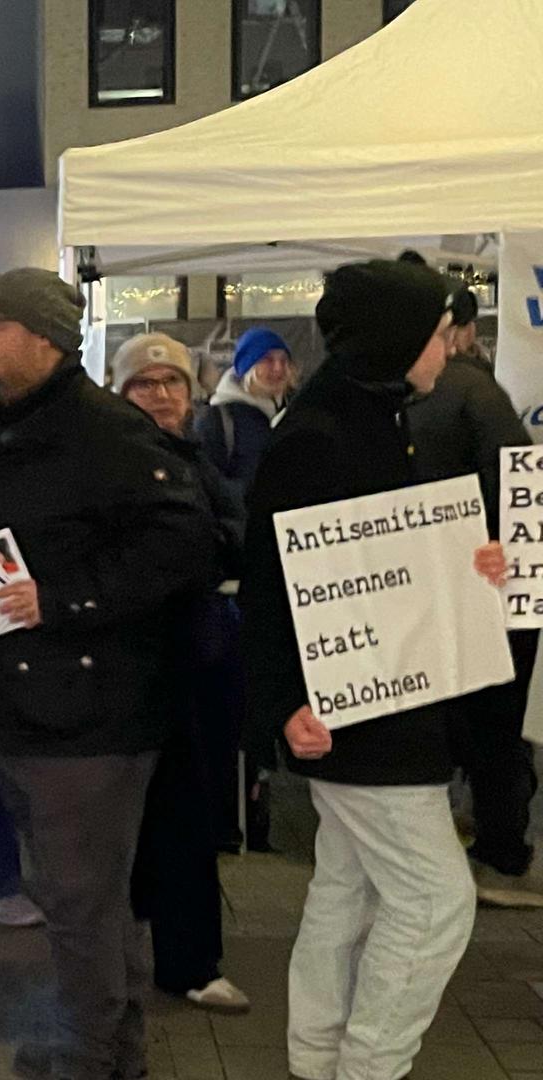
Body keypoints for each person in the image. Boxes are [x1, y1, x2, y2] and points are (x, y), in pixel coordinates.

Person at [0, 268, 216, 1079]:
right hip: (31, 704)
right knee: (85, 900)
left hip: (86, 714)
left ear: (46, 339)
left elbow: (184, 542)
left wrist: (61, 600)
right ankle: (109, 1048)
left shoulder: (106, 431)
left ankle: (89, 1056)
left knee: (79, 902)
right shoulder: (3, 424)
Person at [241, 259, 497, 1080]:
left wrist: (471, 567)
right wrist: (283, 703)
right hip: (363, 716)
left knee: (346, 894)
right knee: (436, 901)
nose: (448, 349)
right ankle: (367, 1068)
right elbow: (274, 584)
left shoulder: (362, 419)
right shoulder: (326, 438)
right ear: (396, 340)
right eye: (436, 333)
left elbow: (392, 569)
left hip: (370, 706)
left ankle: (319, 1063)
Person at [110, 333, 252, 1015]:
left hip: (194, 661)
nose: (163, 394)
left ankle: (181, 952)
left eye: (172, 381)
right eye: (146, 383)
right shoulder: (114, 464)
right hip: (138, 663)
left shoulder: (195, 457)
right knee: (160, 812)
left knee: (185, 809)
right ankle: (174, 954)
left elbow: (231, 535)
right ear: (121, 392)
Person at [405, 285, 543, 908]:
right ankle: (499, 849)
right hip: (487, 585)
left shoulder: (427, 393)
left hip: (445, 585)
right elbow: (519, 480)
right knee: (493, 722)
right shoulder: (477, 393)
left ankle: (488, 847)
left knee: (470, 720)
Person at [196, 327, 294, 504]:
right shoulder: (217, 419)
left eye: (284, 360)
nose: (278, 368)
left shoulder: (291, 411)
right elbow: (206, 486)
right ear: (248, 365)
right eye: (267, 360)